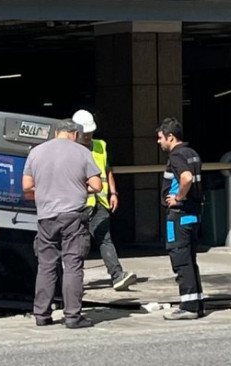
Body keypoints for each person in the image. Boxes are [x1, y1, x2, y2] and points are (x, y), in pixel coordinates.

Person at [23, 119, 102, 329]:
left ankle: (41, 314)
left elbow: (26, 186)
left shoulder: (36, 152)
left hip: (46, 217)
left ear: (56, 133)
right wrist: (79, 187)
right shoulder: (82, 152)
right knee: (73, 266)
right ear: (74, 134)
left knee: (46, 266)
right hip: (73, 216)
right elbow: (96, 185)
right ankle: (73, 316)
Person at [72, 109, 137, 291]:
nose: (88, 136)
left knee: (105, 239)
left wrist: (114, 193)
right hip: (79, 203)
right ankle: (74, 280)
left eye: (90, 132)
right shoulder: (69, 149)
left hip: (99, 201)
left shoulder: (100, 145)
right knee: (77, 243)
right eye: (85, 133)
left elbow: (107, 170)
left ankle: (117, 275)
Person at [156, 117, 205, 320]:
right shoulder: (192, 154)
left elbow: (185, 178)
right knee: (190, 259)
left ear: (170, 137)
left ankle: (189, 306)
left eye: (160, 138)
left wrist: (178, 197)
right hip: (193, 215)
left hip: (179, 215)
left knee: (180, 258)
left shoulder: (177, 156)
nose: (158, 142)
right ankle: (196, 301)